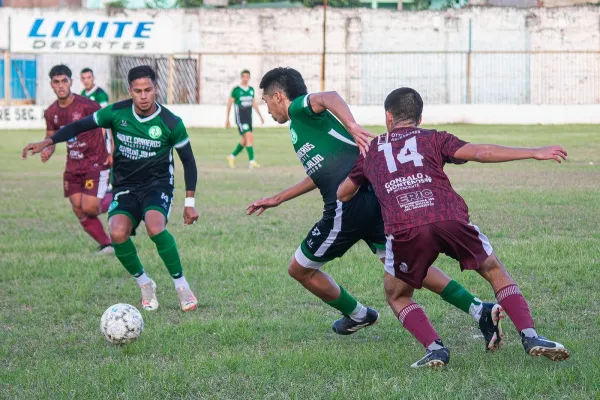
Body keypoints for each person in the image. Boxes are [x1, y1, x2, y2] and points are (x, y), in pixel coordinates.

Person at [248, 68, 502, 343]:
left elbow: (328, 96)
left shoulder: (298, 108)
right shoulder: (304, 126)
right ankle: (479, 309)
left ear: (278, 96)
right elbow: (323, 171)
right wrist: (279, 198)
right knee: (405, 266)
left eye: (265, 101)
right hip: (371, 198)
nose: (267, 108)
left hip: (347, 205)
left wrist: (351, 125)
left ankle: (358, 315)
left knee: (299, 269)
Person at [337, 87, 570, 368]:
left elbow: (344, 193)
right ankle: (531, 336)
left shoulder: (371, 150)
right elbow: (481, 152)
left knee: (396, 294)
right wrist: (533, 152)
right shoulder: (434, 137)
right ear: (419, 118)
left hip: (405, 227)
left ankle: (435, 349)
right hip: (448, 216)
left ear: (388, 117)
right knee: (494, 270)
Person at [23, 66, 200, 312]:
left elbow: (189, 162)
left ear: (156, 89)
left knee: (155, 227)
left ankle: (181, 285)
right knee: (117, 234)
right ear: (130, 91)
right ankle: (145, 283)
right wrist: (48, 141)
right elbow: (80, 126)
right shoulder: (116, 112)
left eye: (148, 90)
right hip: (125, 186)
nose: (144, 96)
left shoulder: (171, 122)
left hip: (157, 185)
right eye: (137, 91)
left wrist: (189, 204)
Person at [38, 64, 113, 254]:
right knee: (78, 209)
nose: (61, 85)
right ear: (51, 85)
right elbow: (51, 136)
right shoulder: (50, 112)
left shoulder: (87, 105)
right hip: (73, 165)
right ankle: (107, 245)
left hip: (95, 160)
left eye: (64, 81)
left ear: (71, 82)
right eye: (56, 82)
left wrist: (112, 150)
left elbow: (108, 123)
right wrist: (48, 149)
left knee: (90, 208)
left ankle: (118, 195)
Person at [80, 67, 114, 213]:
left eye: (89, 77)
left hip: (100, 136)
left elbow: (104, 119)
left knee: (105, 160)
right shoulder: (82, 94)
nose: (86, 80)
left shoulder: (100, 94)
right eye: (84, 78)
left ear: (93, 78)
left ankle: (111, 189)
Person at [225, 70, 264, 169]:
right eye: (244, 77)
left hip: (248, 118)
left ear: (249, 78)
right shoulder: (236, 90)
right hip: (241, 118)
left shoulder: (251, 90)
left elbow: (253, 104)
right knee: (249, 137)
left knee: (245, 139)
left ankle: (231, 156)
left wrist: (260, 116)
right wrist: (227, 119)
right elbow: (229, 104)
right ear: (241, 78)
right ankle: (252, 161)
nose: (246, 79)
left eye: (247, 77)